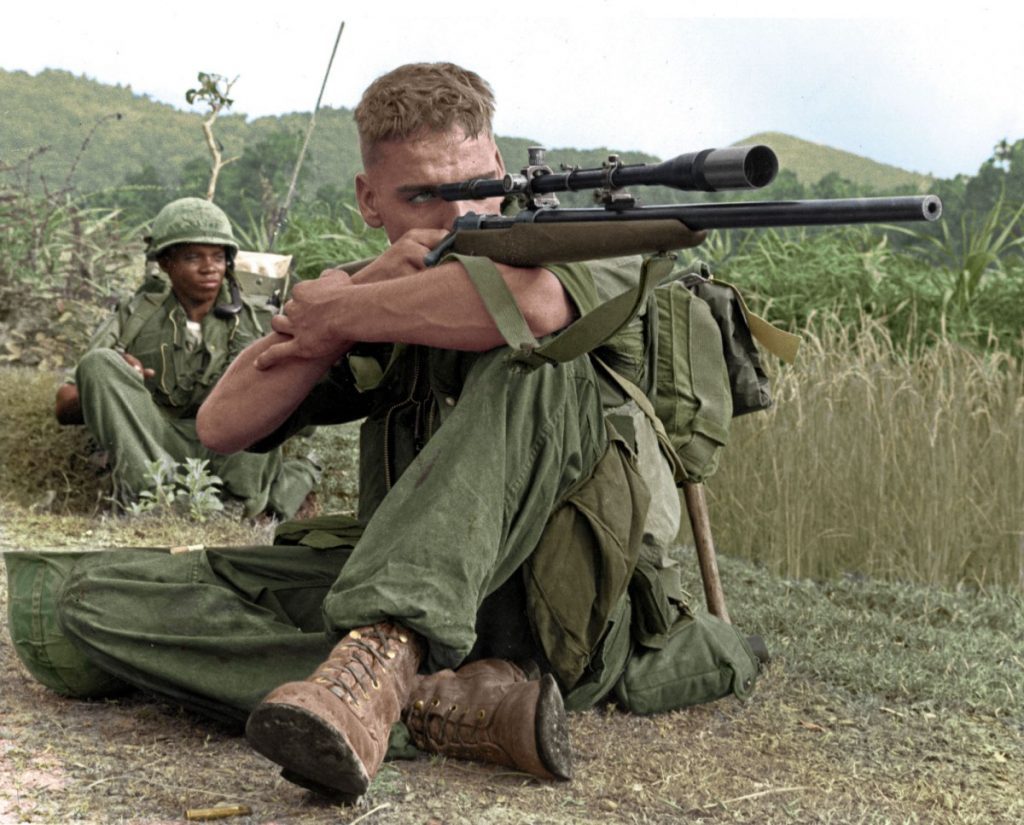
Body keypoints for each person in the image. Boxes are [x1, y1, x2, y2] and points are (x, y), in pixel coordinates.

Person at [43, 63, 763, 804]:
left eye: (479, 185)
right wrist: (354, 296)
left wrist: (346, 312)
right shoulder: (376, 286)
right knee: (95, 596)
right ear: (368, 200)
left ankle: (385, 665)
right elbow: (223, 424)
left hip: (560, 612)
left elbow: (530, 310)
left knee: (530, 359)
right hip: (419, 598)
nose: (464, 217)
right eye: (424, 196)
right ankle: (434, 702)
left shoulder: (588, 248)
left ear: (505, 171)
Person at [53, 197, 320, 519]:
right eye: (193, 257)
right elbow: (65, 405)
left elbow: (303, 423)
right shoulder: (135, 315)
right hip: (154, 443)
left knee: (274, 365)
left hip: (230, 448)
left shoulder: (260, 321)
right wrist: (122, 381)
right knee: (99, 361)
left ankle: (233, 504)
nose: (209, 268)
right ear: (166, 263)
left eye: (218, 257)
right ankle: (153, 500)